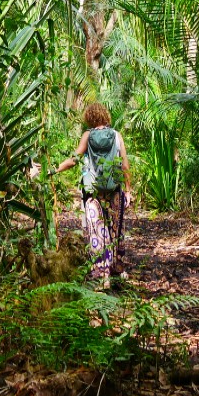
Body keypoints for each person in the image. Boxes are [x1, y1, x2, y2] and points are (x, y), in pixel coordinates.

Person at [55, 102, 132, 287]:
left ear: (89, 118)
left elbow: (75, 160)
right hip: (114, 189)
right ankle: (117, 269)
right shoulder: (116, 135)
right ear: (106, 116)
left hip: (93, 191)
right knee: (115, 229)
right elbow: (125, 165)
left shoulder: (87, 136)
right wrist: (128, 190)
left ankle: (101, 275)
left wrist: (55, 169)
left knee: (97, 230)